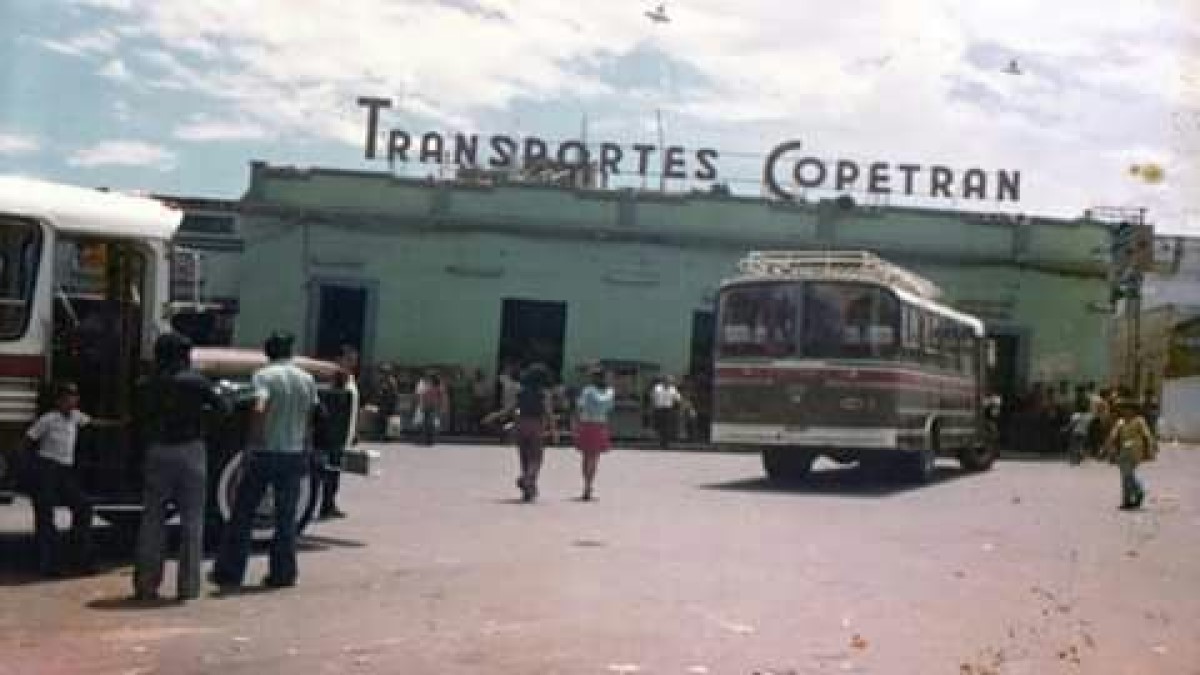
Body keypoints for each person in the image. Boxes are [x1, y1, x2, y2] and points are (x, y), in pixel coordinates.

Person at [212, 332, 319, 590]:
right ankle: (283, 573)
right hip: (293, 453)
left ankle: (230, 572)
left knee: (243, 513)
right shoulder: (307, 379)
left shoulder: (263, 376)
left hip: (266, 453)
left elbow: (259, 407)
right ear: (290, 352)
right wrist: (306, 445)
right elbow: (310, 415)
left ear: (268, 353)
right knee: (286, 517)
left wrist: (252, 443)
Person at [133, 332, 230, 602]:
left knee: (152, 520)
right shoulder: (197, 383)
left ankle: (146, 585)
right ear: (183, 356)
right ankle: (187, 588)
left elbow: (138, 419)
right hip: (191, 450)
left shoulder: (145, 384)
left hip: (157, 450)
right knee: (192, 521)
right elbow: (224, 408)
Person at [25, 382, 93, 576]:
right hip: (47, 469)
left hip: (65, 472)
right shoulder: (48, 419)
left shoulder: (76, 417)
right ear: (58, 401)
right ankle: (48, 565)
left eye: (74, 397)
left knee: (84, 507)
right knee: (46, 516)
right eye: (66, 397)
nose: (71, 400)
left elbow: (94, 422)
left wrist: (123, 423)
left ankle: (80, 560)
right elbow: (28, 440)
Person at [1104, 397, 1157, 510]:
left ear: (1134, 410)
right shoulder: (1120, 421)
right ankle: (1128, 500)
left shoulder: (1139, 420)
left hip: (1135, 450)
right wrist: (1107, 447)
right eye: (1124, 409)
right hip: (1124, 450)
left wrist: (1150, 449)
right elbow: (1112, 436)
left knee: (1126, 474)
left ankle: (1138, 491)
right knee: (1125, 476)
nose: (1126, 411)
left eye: (1129, 409)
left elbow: (1147, 435)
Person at [316, 369, 354, 520]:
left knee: (323, 475)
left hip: (323, 441)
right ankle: (327, 505)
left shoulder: (323, 395)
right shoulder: (346, 396)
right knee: (332, 476)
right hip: (336, 442)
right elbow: (346, 418)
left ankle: (325, 505)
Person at [574, 367, 616, 501]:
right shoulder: (609, 392)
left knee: (586, 457)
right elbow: (608, 407)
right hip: (599, 424)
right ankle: (588, 484)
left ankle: (586, 484)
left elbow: (579, 406)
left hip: (586, 423)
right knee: (594, 457)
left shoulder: (587, 390)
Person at [514, 363, 553, 502]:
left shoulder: (521, 391)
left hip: (520, 423)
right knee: (536, 459)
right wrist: (554, 430)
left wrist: (495, 415)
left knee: (524, 458)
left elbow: (513, 408)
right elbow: (548, 412)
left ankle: (529, 491)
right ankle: (526, 479)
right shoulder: (544, 393)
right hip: (536, 425)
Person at [414, 371, 448, 446]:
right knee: (428, 422)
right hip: (429, 405)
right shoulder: (429, 384)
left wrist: (443, 406)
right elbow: (423, 395)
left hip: (432, 406)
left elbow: (442, 396)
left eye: (430, 377)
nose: (429, 378)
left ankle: (430, 438)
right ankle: (428, 438)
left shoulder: (437, 385)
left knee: (430, 422)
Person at [651, 376, 682, 449]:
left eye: (670, 381)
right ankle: (661, 440)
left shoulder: (673, 389)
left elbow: (678, 398)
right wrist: (653, 406)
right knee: (659, 425)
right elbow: (652, 397)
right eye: (667, 381)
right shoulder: (657, 388)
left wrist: (677, 407)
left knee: (667, 427)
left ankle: (665, 443)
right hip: (658, 408)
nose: (668, 383)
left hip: (668, 409)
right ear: (663, 381)